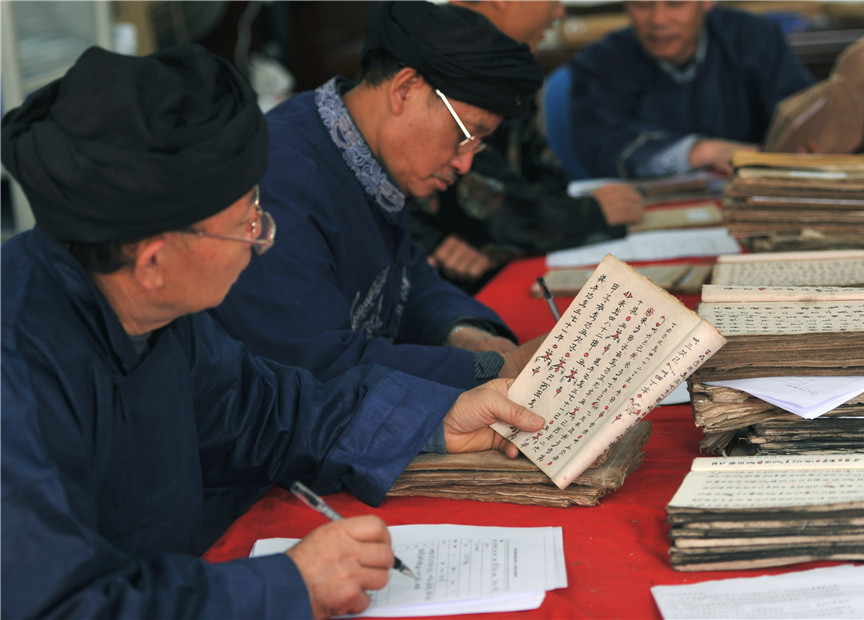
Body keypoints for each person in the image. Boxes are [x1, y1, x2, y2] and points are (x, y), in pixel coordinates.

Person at [0, 44, 545, 619]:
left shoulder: (149, 305)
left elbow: (265, 412)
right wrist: (288, 586)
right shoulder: (18, 375)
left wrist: (433, 421)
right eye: (246, 225)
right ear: (154, 262)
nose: (264, 239)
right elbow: (60, 605)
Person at [210, 1, 549, 391]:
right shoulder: (278, 180)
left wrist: (469, 336)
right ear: (404, 89)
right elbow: (314, 366)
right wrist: (483, 370)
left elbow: (404, 279)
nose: (465, 163)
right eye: (464, 134)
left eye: (478, 144)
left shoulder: (360, 149)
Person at [410, 0, 646, 292]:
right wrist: (591, 214)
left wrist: (503, 235)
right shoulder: (432, 60)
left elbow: (543, 177)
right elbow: (481, 203)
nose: (560, 12)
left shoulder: (506, 63)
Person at [568, 0, 816, 179]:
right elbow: (597, 144)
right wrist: (701, 152)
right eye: (643, 4)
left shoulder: (756, 40)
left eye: (676, 3)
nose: (658, 20)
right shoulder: (601, 62)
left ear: (706, 2)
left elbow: (802, 111)